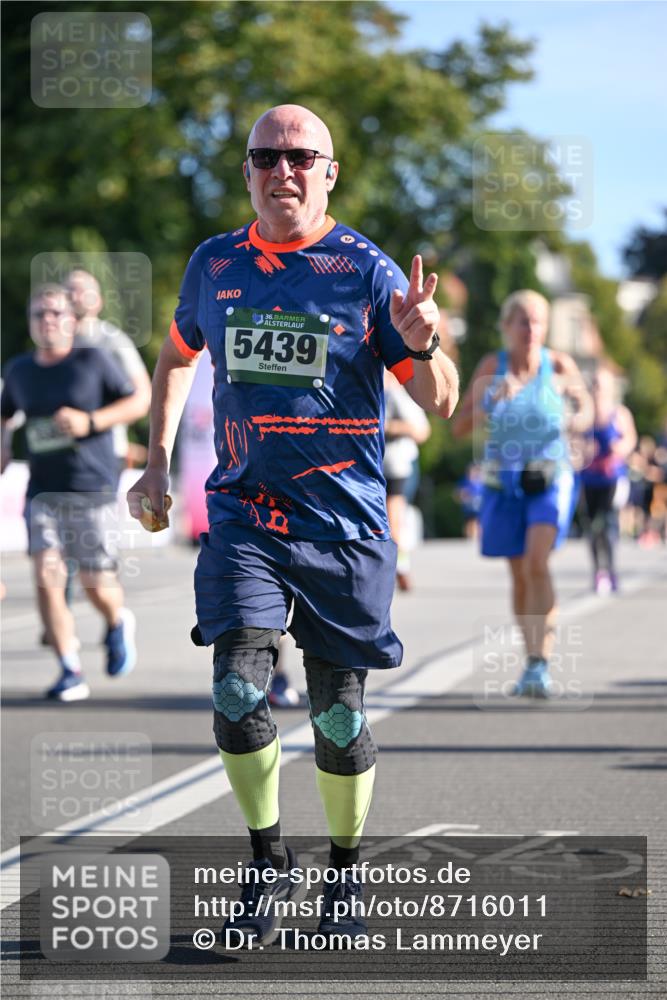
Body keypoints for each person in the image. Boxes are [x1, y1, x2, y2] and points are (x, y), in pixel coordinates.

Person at [128, 104, 459, 945]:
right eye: (266, 157)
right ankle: (266, 859)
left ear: (329, 172)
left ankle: (344, 871)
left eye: (301, 157)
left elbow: (440, 401)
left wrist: (421, 347)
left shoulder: (369, 273)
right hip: (246, 515)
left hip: (344, 526)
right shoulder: (215, 264)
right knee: (239, 691)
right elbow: (174, 356)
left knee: (337, 718)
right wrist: (158, 458)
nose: (284, 171)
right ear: (245, 171)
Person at [1, 284, 148, 701]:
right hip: (42, 491)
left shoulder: (93, 359)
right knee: (47, 578)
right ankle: (70, 668)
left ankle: (117, 619)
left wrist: (91, 421)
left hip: (91, 487)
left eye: (55, 313)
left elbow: (138, 401)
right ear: (30, 323)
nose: (47, 321)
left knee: (94, 582)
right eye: (38, 314)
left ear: (71, 320)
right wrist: (4, 445)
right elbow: (4, 414)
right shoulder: (19, 370)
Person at [452, 289, 592, 698]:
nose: (530, 329)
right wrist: (489, 404)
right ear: (507, 326)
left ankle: (541, 662)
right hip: (502, 482)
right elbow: (459, 426)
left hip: (550, 476)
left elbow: (588, 410)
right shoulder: (491, 367)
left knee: (536, 562)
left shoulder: (560, 365)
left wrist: (575, 412)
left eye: (537, 321)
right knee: (518, 573)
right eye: (522, 321)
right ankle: (531, 660)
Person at [66, 268, 151, 470]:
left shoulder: (113, 341)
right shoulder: (54, 346)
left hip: (103, 457)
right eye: (68, 290)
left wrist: (91, 422)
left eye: (81, 290)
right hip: (58, 455)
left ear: (98, 301)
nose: (73, 296)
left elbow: (142, 399)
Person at [580, 365, 637, 593]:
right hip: (589, 479)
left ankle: (611, 570)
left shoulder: (619, 414)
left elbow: (630, 440)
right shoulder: (584, 416)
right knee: (591, 528)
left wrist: (619, 448)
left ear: (610, 388)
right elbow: (572, 442)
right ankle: (597, 571)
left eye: (601, 385)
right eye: (594, 384)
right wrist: (584, 449)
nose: (597, 389)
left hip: (612, 480)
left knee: (608, 524)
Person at [383, 368, 431, 590]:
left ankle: (399, 566)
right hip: (368, 465)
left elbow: (421, 430)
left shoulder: (399, 393)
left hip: (396, 465)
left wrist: (388, 427)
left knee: (394, 520)